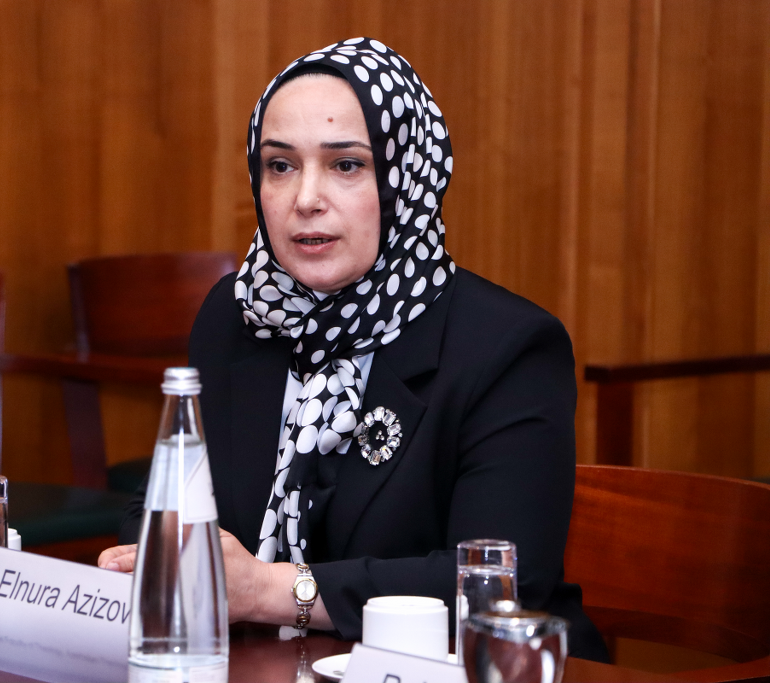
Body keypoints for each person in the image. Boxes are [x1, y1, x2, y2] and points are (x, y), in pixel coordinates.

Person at [99, 37, 608, 661]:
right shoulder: (236, 315)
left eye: (345, 165)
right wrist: (159, 555)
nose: (305, 198)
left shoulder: (507, 346)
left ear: (406, 179)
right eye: (280, 165)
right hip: (268, 665)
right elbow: (158, 509)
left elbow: (498, 583)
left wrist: (269, 591)